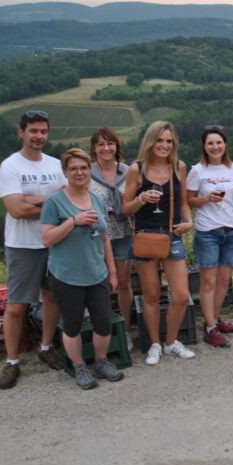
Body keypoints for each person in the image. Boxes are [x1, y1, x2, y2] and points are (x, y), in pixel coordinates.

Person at [0, 110, 66, 390]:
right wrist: (50, 202)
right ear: (21, 132)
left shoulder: (56, 164)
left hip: (53, 242)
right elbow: (16, 209)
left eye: (43, 131)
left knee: (51, 298)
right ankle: (11, 361)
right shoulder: (10, 166)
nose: (39, 136)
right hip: (22, 245)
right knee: (16, 306)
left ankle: (46, 346)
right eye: (33, 131)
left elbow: (67, 202)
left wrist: (33, 199)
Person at [40, 149, 123, 389]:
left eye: (84, 168)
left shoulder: (96, 198)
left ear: (89, 170)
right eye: (73, 168)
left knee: (103, 322)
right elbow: (47, 239)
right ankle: (79, 367)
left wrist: (112, 271)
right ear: (65, 172)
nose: (79, 172)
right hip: (67, 275)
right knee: (73, 324)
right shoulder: (54, 202)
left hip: (96, 272)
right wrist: (72, 222)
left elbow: (104, 236)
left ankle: (101, 361)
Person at [122, 121, 195, 366]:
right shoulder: (137, 169)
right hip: (145, 235)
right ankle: (155, 344)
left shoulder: (179, 167)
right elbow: (126, 208)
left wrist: (189, 222)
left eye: (169, 141)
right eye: (160, 140)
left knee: (181, 295)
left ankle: (171, 341)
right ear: (151, 141)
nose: (164, 145)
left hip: (172, 234)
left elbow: (184, 201)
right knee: (151, 295)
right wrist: (142, 198)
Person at [185, 126, 233, 348]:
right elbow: (189, 200)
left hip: (231, 231)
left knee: (224, 281)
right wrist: (206, 199)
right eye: (210, 143)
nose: (215, 147)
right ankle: (209, 328)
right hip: (208, 231)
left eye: (219, 142)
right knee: (208, 281)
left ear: (225, 144)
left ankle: (214, 320)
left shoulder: (232, 167)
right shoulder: (198, 170)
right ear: (204, 146)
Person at [88, 127, 135, 351]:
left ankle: (125, 329)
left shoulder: (129, 171)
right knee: (101, 286)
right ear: (94, 148)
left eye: (110, 143)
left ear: (117, 146)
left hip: (124, 234)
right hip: (97, 237)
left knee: (124, 284)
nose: (106, 148)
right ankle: (104, 330)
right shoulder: (86, 173)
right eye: (100, 144)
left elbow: (136, 202)